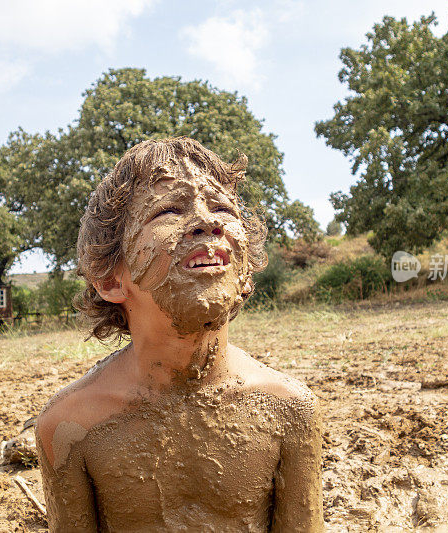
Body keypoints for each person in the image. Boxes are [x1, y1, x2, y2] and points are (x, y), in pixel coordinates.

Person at [36, 137, 323, 532]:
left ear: (245, 274)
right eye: (168, 210)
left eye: (222, 207)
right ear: (109, 278)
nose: (209, 221)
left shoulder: (290, 409)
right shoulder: (71, 426)